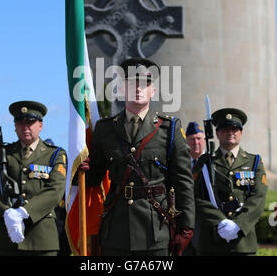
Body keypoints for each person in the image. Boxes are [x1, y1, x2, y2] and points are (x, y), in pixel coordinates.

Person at [80, 57, 195, 256]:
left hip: (155, 231)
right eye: (132, 83)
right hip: (115, 231)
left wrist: (186, 227)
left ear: (153, 90)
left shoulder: (169, 129)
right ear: (121, 89)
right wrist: (78, 169)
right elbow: (93, 178)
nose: (138, 88)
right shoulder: (104, 129)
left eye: (145, 84)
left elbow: (183, 182)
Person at [0, 101, 67, 256]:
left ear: (40, 125)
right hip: (7, 237)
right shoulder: (3, 153)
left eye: (30, 122)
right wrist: (6, 215)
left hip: (41, 237)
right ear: (15, 126)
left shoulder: (55, 155)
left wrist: (24, 212)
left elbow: (55, 190)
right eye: (20, 123)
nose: (25, 127)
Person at [193, 108, 268, 256]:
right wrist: (220, 222)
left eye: (235, 128)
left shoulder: (255, 162)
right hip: (210, 243)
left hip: (243, 243)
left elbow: (258, 198)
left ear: (241, 132)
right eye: (225, 128)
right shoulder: (204, 163)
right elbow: (195, 197)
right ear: (217, 133)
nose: (230, 132)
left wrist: (238, 224)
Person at [182, 121, 205, 256]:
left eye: (199, 138)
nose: (196, 142)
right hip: (185, 223)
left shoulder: (211, 163)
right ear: (186, 141)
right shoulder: (181, 163)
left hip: (204, 224)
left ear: (204, 140)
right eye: (192, 139)